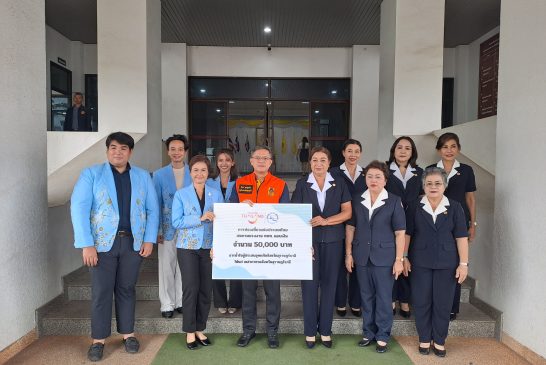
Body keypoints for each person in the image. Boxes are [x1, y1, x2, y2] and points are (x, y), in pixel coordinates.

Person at [71, 132, 159, 362]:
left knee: (127, 289)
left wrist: (149, 239)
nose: (117, 152)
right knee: (101, 291)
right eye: (113, 147)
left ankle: (128, 334)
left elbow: (152, 209)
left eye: (122, 148)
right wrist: (86, 244)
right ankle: (98, 340)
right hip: (100, 245)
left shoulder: (142, 176)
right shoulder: (92, 174)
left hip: (132, 243)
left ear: (130, 152)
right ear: (107, 150)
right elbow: (79, 208)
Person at [403, 167, 469, 357]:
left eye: (437, 183)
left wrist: (463, 264)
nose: (433, 187)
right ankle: (424, 338)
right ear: (423, 186)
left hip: (447, 263)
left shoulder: (455, 207)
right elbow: (407, 234)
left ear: (445, 186)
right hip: (420, 262)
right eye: (429, 183)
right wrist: (404, 257)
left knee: (443, 303)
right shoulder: (414, 205)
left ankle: (439, 340)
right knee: (422, 302)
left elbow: (461, 237)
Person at [229, 145, 290, 349]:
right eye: (258, 158)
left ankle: (273, 331)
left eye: (266, 158)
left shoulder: (280, 185)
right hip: (247, 247)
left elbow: (285, 217)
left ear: (271, 162)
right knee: (248, 291)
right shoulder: (240, 183)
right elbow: (230, 212)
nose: (262, 161)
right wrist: (239, 208)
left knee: (273, 291)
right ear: (251, 161)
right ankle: (248, 330)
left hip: (271, 247)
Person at [291, 146, 352, 349]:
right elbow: (295, 215)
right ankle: (310, 331)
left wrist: (326, 221)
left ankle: (325, 330)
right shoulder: (302, 184)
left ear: (329, 163)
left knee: (329, 287)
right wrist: (302, 243)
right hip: (309, 245)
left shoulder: (339, 183)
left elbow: (347, 213)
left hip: (334, 242)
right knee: (309, 287)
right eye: (315, 160)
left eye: (323, 160)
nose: (319, 163)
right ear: (310, 163)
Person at [345, 160, 406, 353]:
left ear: (385, 180)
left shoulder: (394, 201)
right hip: (361, 256)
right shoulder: (357, 199)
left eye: (378, 177)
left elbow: (400, 233)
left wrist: (399, 260)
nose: (373, 180)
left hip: (385, 258)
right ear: (365, 178)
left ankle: (382, 336)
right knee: (366, 296)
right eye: (370, 176)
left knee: (384, 297)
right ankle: (368, 333)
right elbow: (350, 227)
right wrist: (348, 254)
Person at [172, 155, 224, 350]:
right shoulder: (181, 194)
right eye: (195, 170)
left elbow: (223, 220)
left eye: (203, 170)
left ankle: (200, 328)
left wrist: (217, 245)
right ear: (190, 172)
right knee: (191, 288)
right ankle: (189, 331)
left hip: (209, 248)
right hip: (187, 248)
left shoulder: (216, 194)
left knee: (205, 290)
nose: (199, 174)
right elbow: (176, 222)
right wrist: (200, 218)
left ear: (208, 172)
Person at [429, 132, 476, 321]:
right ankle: (433, 304)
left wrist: (472, 224)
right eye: (445, 146)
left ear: (458, 149)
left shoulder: (466, 170)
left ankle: (451, 307)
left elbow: (470, 199)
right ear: (439, 149)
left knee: (456, 264)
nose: (449, 150)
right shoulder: (431, 169)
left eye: (453, 146)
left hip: (458, 224)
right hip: (435, 223)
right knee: (435, 263)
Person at [153, 135, 192, 318]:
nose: (176, 152)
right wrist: (157, 230)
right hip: (166, 227)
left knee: (184, 266)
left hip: (189, 228)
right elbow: (155, 204)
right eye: (173, 149)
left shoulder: (194, 172)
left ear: (185, 151)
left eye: (180, 149)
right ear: (168, 151)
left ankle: (180, 301)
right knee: (166, 266)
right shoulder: (159, 175)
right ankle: (167, 304)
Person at [385, 136, 423, 318]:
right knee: (391, 261)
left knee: (407, 261)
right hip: (389, 223)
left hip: (413, 223)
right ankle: (392, 298)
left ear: (412, 152)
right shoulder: (384, 170)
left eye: (407, 148)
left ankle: (405, 300)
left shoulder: (420, 172)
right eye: (399, 147)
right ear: (393, 150)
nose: (403, 151)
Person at [330, 139, 365, 318]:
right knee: (339, 265)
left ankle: (356, 302)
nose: (353, 154)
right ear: (343, 153)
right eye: (349, 151)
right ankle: (340, 301)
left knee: (358, 263)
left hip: (361, 224)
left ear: (360, 154)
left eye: (356, 151)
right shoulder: (334, 172)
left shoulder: (366, 174)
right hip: (338, 222)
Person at [206, 148, 242, 314]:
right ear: (216, 162)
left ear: (233, 162)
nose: (224, 163)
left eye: (227, 160)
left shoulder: (241, 182)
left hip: (236, 228)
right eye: (220, 160)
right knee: (217, 263)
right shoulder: (209, 181)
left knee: (236, 263)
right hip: (215, 228)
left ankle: (235, 301)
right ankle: (220, 301)